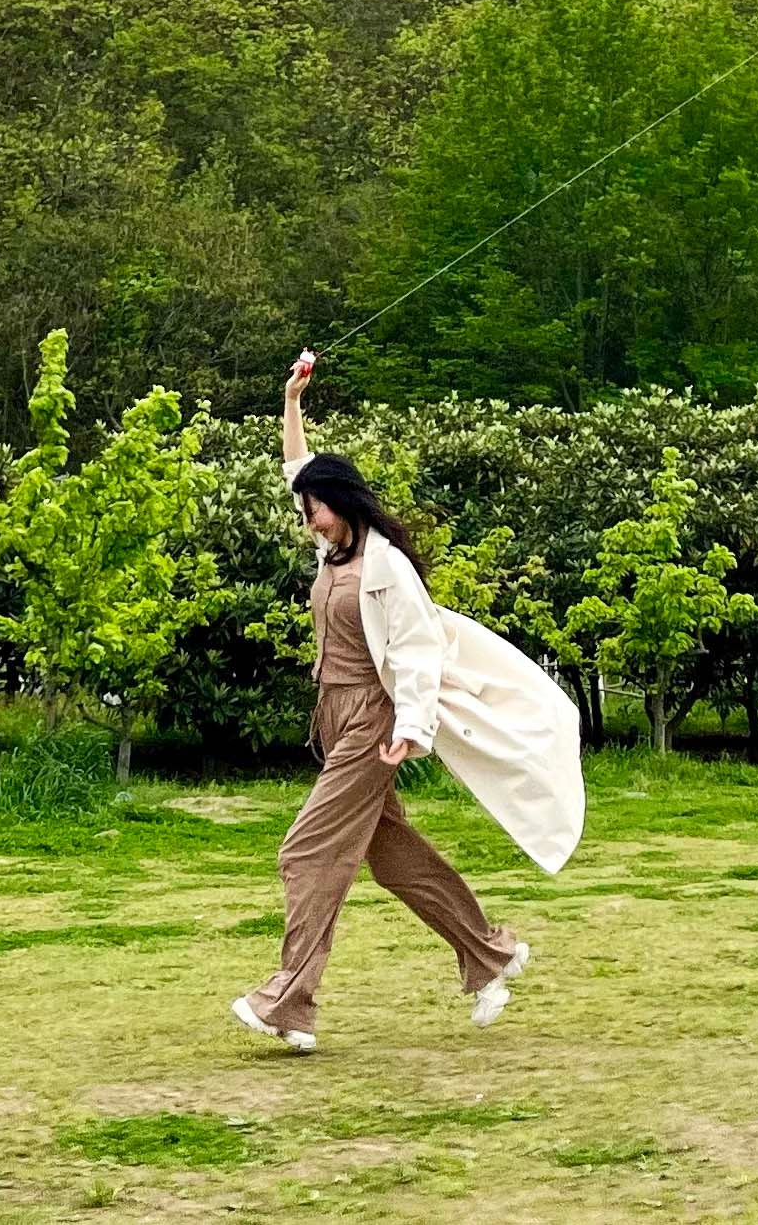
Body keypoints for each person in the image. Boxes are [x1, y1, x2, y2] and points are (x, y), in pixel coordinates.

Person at [233, 352, 584, 1055]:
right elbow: (297, 467)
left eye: (315, 509)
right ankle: (489, 954)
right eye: (305, 509)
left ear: (344, 503)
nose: (306, 519)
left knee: (305, 854)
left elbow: (419, 651)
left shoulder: (383, 565)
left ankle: (289, 1001)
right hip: (333, 718)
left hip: (373, 722)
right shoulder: (332, 555)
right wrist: (292, 401)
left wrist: (415, 729)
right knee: (391, 858)